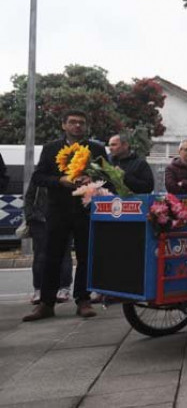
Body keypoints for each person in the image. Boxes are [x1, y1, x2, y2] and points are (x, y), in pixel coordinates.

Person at [23, 109, 108, 321]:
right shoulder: (51, 148)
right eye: (72, 122)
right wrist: (59, 181)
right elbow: (39, 177)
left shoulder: (96, 148)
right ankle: (46, 303)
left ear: (86, 126)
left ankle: (83, 300)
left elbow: (108, 176)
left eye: (81, 122)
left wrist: (93, 177)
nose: (77, 126)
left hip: (86, 210)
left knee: (85, 256)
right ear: (64, 125)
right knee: (51, 257)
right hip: (57, 210)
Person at [23, 184, 73, 305]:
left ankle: (64, 288)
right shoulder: (42, 175)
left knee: (64, 255)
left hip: (63, 219)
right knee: (40, 256)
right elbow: (30, 196)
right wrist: (30, 216)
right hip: (40, 220)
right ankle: (39, 289)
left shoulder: (69, 174)